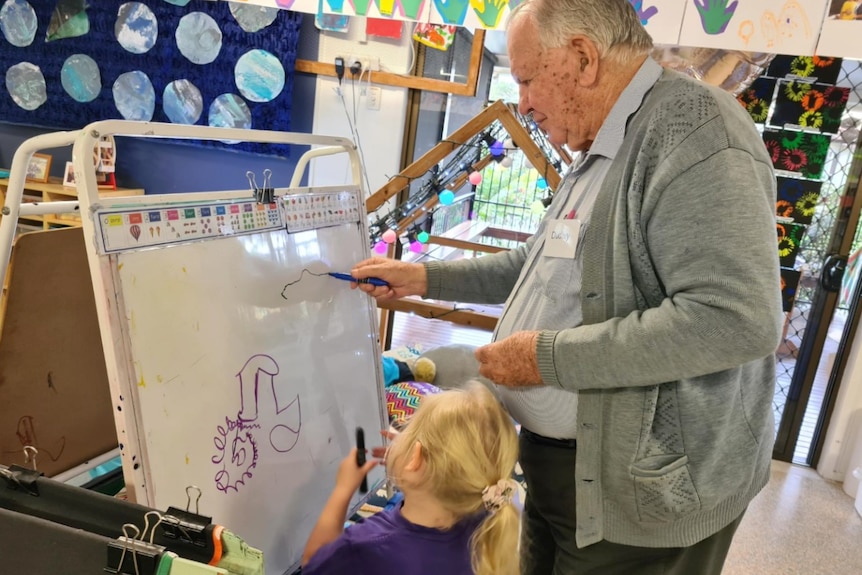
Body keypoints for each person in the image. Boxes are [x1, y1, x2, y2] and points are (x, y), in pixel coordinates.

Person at [350, 1, 784, 573]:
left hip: (644, 502)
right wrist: (426, 277)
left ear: (582, 58)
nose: (523, 100)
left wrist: (544, 359)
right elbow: (538, 264)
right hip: (561, 474)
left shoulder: (697, 135)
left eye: (528, 78)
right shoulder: (600, 145)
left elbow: (735, 320)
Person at [300, 382, 520, 575]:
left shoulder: (365, 546)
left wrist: (343, 488)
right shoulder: (488, 523)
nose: (398, 431)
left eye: (407, 427)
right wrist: (410, 461)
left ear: (415, 460)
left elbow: (313, 564)